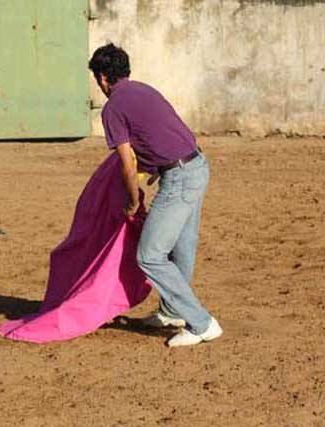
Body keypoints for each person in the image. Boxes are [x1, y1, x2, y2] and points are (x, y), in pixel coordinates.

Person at [88, 43, 223, 347]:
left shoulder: (113, 108)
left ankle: (201, 323)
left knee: (149, 255)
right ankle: (173, 311)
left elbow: (125, 162)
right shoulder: (143, 90)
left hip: (179, 179)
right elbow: (168, 130)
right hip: (196, 165)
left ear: (101, 78)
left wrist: (133, 200)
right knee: (182, 246)